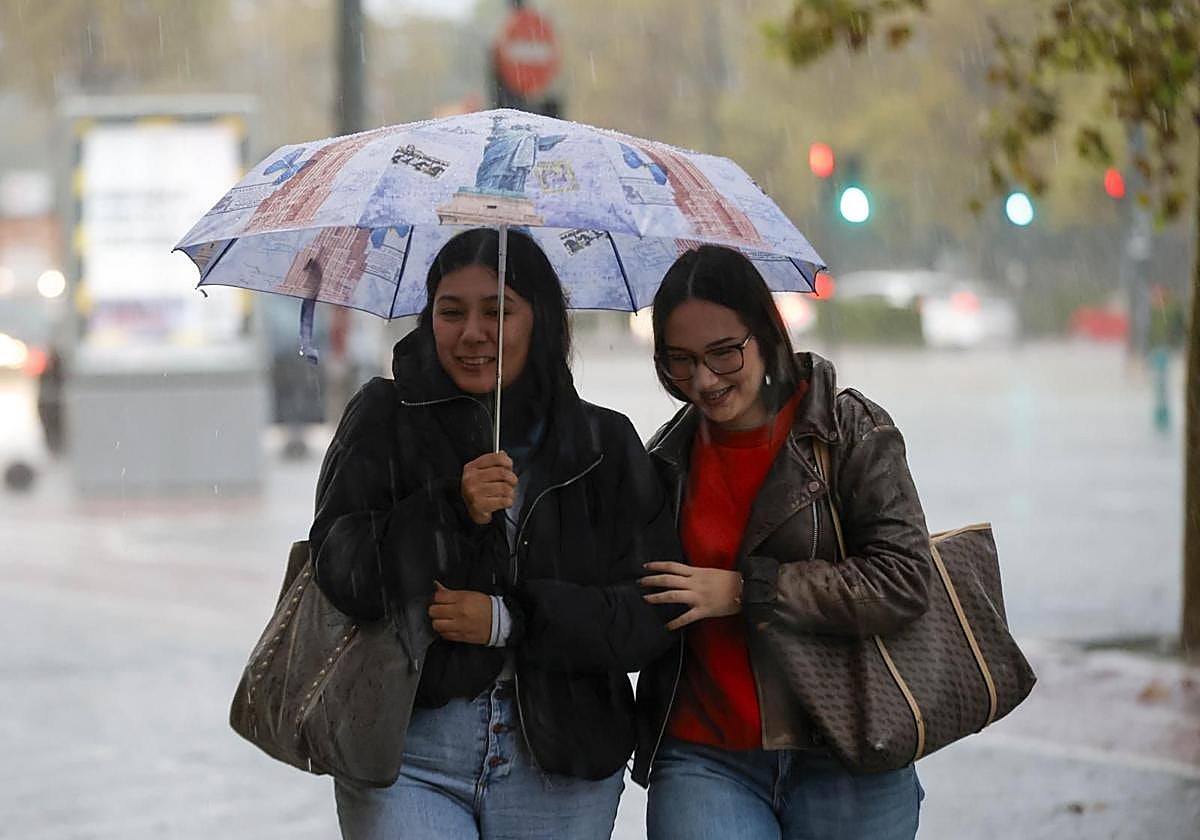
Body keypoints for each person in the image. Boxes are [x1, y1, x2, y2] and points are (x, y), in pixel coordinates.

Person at [309, 227, 680, 840]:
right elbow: (342, 570)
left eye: (499, 311)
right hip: (412, 746)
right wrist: (450, 509)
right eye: (451, 312)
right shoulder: (383, 418)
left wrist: (512, 620)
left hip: (563, 753)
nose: (472, 333)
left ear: (541, 323)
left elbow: (649, 614)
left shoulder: (603, 444)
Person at [633, 245, 933, 840]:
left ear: (767, 333)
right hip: (703, 755)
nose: (704, 379)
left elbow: (904, 579)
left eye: (723, 353)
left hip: (847, 751)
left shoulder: (848, 431)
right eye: (680, 360)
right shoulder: (664, 459)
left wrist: (750, 591)